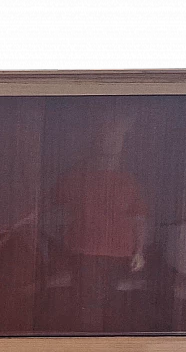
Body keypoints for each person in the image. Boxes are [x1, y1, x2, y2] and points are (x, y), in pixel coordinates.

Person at [48, 109, 149, 333]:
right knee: (86, 307)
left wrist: (139, 251)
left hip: (119, 255)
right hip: (84, 252)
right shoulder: (77, 176)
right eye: (107, 136)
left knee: (113, 307)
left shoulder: (129, 180)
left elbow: (139, 218)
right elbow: (55, 210)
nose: (112, 143)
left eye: (117, 138)